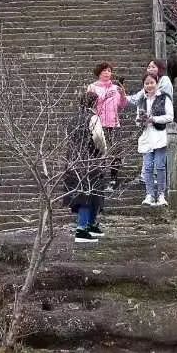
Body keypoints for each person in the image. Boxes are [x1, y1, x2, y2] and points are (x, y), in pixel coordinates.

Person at [64, 90, 109, 243]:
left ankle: (89, 226)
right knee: (88, 194)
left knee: (86, 194)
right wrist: (103, 152)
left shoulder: (72, 118)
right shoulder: (93, 117)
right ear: (95, 103)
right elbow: (98, 138)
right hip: (90, 160)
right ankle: (82, 229)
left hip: (73, 160)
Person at [128, 72, 174, 207]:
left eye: (151, 82)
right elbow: (137, 120)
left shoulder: (164, 98)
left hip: (160, 136)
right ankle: (149, 194)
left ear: (157, 83)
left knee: (160, 166)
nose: (149, 85)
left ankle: (161, 195)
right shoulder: (142, 100)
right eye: (146, 83)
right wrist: (140, 120)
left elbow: (170, 116)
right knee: (147, 167)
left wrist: (153, 119)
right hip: (147, 136)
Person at [88, 61, 128, 186]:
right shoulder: (92, 87)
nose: (107, 73)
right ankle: (98, 177)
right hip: (98, 123)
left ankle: (113, 178)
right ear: (99, 73)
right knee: (98, 151)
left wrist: (122, 94)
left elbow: (122, 105)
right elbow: (89, 103)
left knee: (116, 151)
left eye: (109, 71)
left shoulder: (115, 88)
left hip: (114, 124)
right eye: (104, 70)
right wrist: (104, 97)